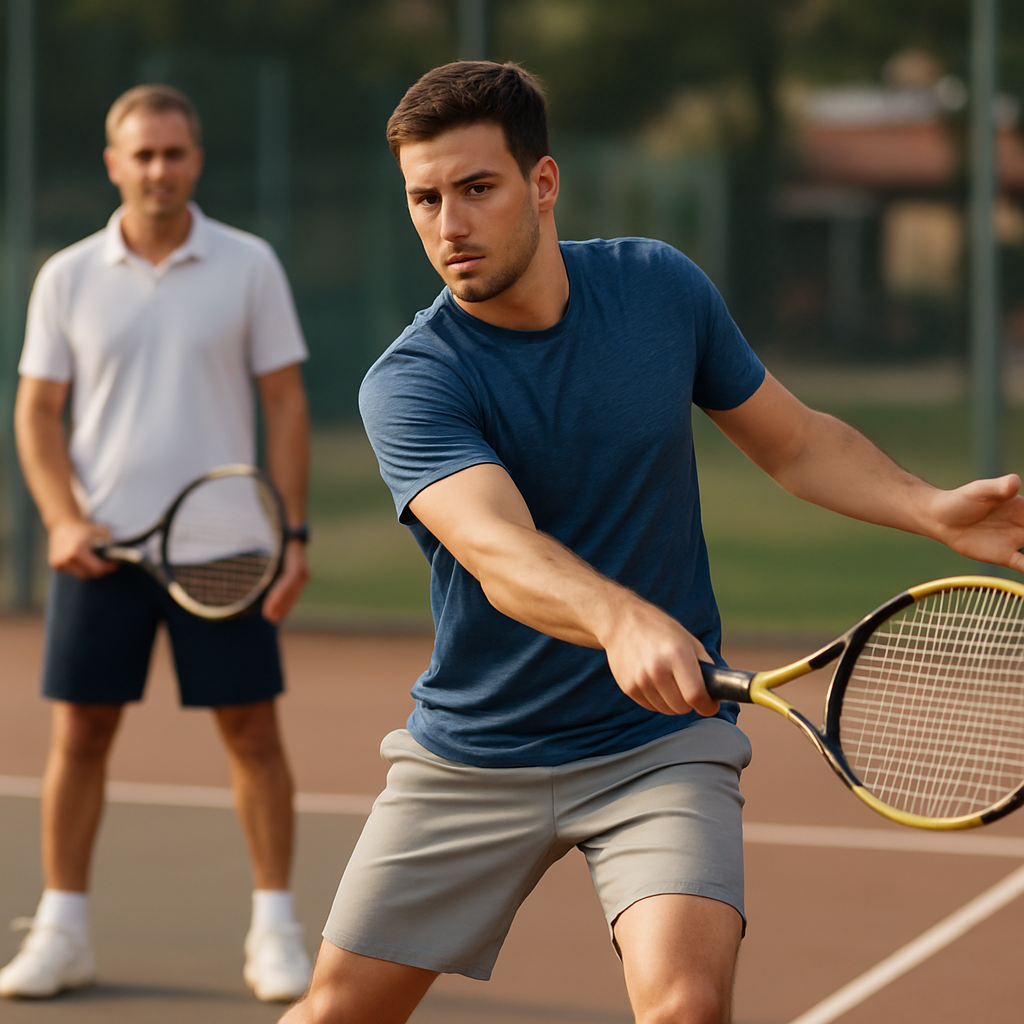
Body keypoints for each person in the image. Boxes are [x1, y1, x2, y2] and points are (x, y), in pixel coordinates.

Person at [282, 62, 1024, 1024]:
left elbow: (792, 440)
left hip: (657, 748)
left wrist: (928, 507)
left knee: (684, 1005)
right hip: (475, 753)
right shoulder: (412, 381)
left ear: (542, 184)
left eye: (477, 188)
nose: (449, 226)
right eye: (425, 200)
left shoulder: (657, 290)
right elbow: (498, 548)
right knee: (336, 1013)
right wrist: (621, 619)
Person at [0, 84, 314, 1003]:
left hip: (225, 549)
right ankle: (62, 933)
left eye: (174, 154)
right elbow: (38, 413)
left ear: (197, 161)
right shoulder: (65, 274)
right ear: (113, 164)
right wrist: (62, 518)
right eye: (142, 155)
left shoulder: (250, 264)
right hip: (102, 551)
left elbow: (286, 402)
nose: (158, 170)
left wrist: (291, 536)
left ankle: (275, 931)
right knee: (81, 735)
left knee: (253, 733)